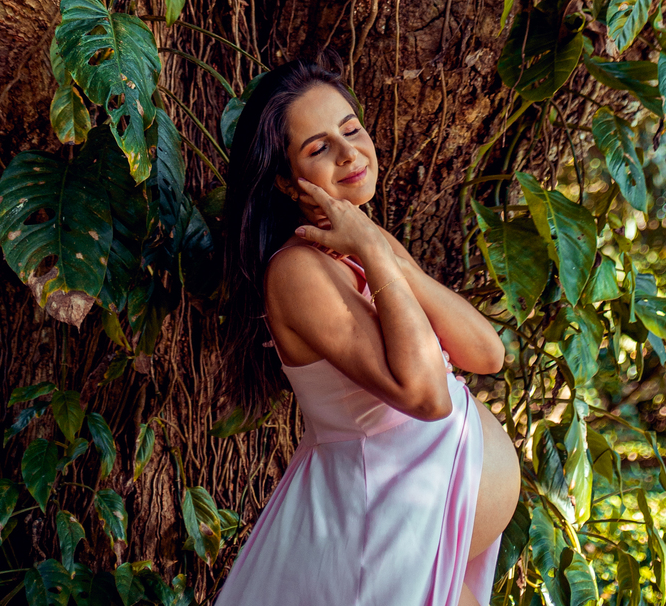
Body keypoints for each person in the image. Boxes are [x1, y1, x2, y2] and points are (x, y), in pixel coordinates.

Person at [217, 54, 521, 606]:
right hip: (372, 537)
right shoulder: (297, 271)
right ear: (286, 182)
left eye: (351, 129)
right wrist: (374, 251)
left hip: (412, 531)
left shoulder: (366, 246)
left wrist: (379, 249)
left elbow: (486, 353)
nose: (348, 152)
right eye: (318, 148)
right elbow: (426, 397)